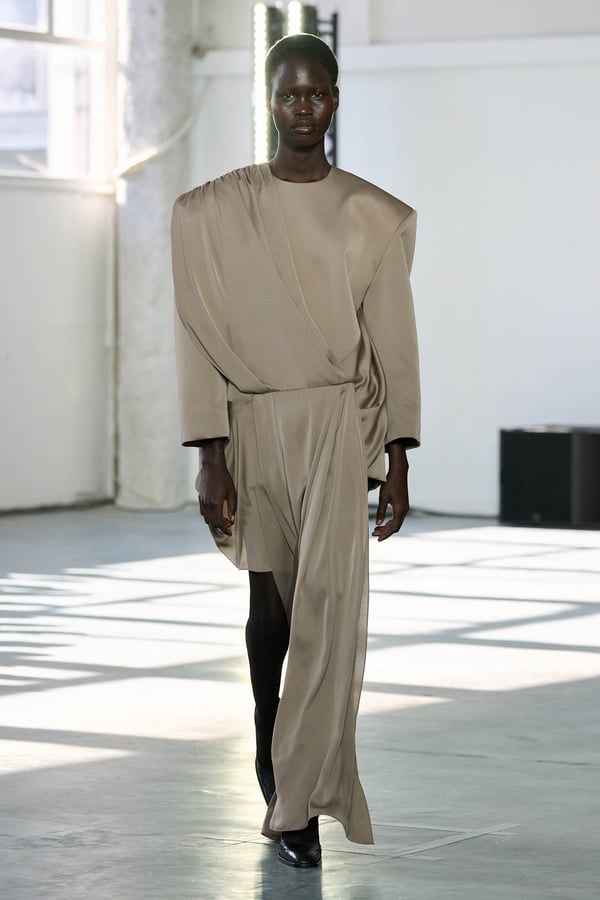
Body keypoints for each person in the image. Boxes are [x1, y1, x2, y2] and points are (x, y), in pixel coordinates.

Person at [171, 33, 420, 869]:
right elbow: (197, 336)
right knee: (271, 609)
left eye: (316, 93)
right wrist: (209, 454)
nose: (303, 106)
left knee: (327, 610)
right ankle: (268, 749)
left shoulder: (375, 216)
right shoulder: (212, 214)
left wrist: (399, 455)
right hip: (252, 426)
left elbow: (395, 344)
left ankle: (300, 800)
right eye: (289, 93)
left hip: (340, 429)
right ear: (270, 101)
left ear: (335, 100)